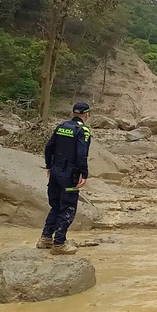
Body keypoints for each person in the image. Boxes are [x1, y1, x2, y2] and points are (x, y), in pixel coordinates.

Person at [37, 102, 92, 255]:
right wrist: (84, 174)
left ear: (73, 113)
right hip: (69, 175)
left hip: (55, 171)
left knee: (55, 206)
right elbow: (82, 154)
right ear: (86, 115)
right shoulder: (83, 130)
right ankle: (59, 243)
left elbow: (49, 146)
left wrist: (49, 165)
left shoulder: (61, 126)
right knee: (68, 207)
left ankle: (46, 238)